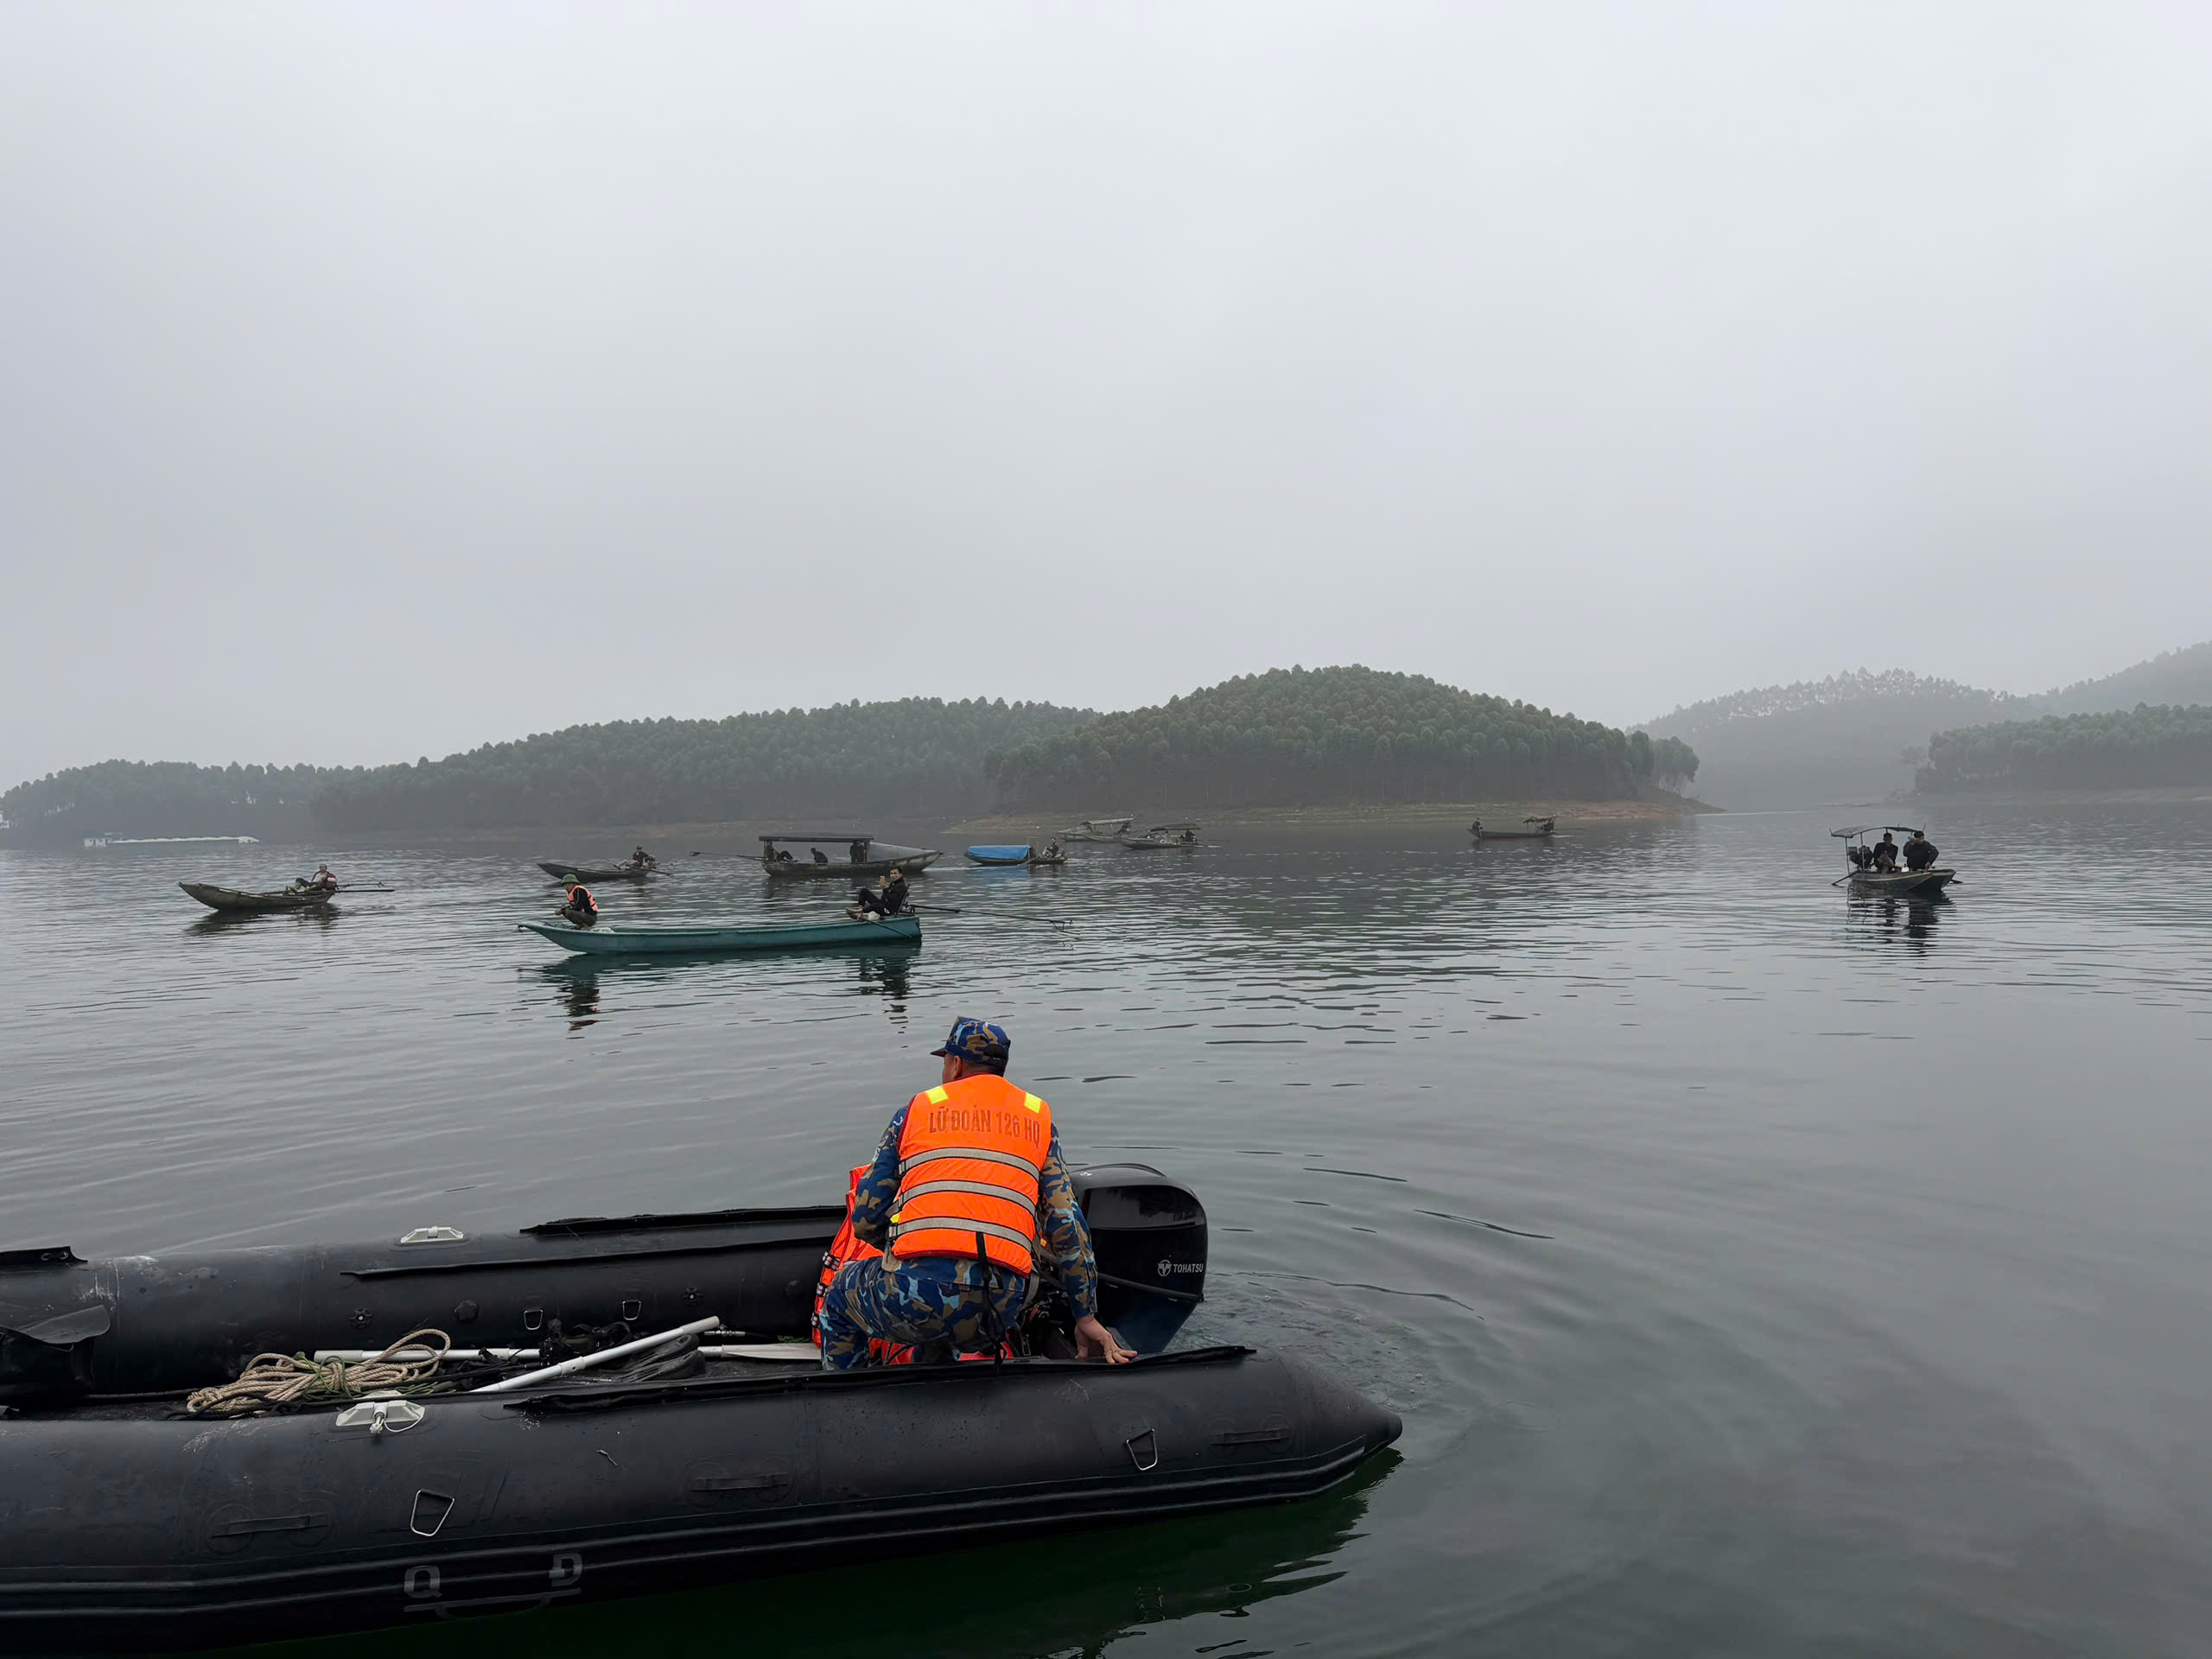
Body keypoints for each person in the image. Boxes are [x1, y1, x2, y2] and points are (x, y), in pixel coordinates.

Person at [816, 1018, 1135, 1370]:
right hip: (1001, 1306)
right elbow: (1067, 1224)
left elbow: (864, 1219)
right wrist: (1085, 1315)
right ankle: (939, 1376)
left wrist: (904, 1248)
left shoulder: (916, 1111)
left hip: (917, 1293)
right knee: (946, 1322)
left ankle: (846, 1397)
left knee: (839, 1296)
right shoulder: (1039, 1119)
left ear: (956, 1064)